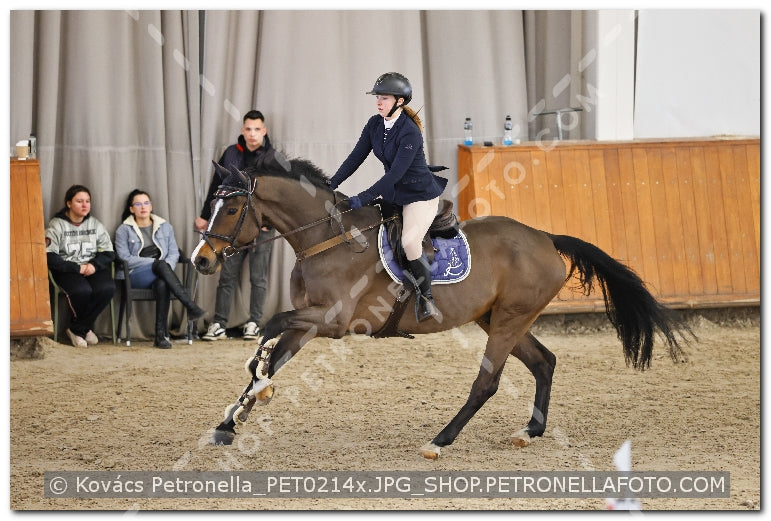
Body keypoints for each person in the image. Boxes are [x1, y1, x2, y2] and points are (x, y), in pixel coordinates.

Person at [329, 72, 448, 322]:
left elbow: (394, 174)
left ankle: (427, 299)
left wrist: (363, 197)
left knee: (410, 242)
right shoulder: (374, 124)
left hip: (419, 196)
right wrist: (331, 183)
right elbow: (355, 158)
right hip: (395, 194)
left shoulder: (410, 132)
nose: (378, 102)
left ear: (400, 101)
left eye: (384, 98)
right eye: (378, 98)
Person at [194, 109, 289, 341]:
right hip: (232, 229)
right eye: (248, 129)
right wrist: (205, 215)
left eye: (257, 129)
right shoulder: (230, 153)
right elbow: (217, 187)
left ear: (264, 131)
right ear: (242, 130)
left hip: (262, 228)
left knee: (258, 278)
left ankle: (254, 323)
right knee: (226, 275)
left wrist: (270, 221)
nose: (252, 134)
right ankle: (218, 324)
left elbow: (279, 194)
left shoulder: (273, 158)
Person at [115, 189, 206, 348]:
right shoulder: (124, 229)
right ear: (131, 209)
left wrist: (164, 268)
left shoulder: (165, 227)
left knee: (162, 283)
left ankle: (160, 337)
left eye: (146, 203)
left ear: (151, 206)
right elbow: (125, 258)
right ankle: (189, 305)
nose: (143, 207)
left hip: (161, 273)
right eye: (138, 204)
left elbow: (173, 253)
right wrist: (155, 264)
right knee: (160, 265)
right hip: (134, 275)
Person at [46, 184, 117, 347]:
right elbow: (50, 257)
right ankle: (84, 329)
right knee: (82, 291)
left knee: (107, 288)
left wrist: (94, 265)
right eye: (79, 201)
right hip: (67, 269)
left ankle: (77, 329)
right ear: (69, 203)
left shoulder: (95, 224)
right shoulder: (56, 225)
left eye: (88, 201)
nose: (85, 205)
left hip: (92, 267)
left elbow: (108, 252)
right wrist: (76, 268)